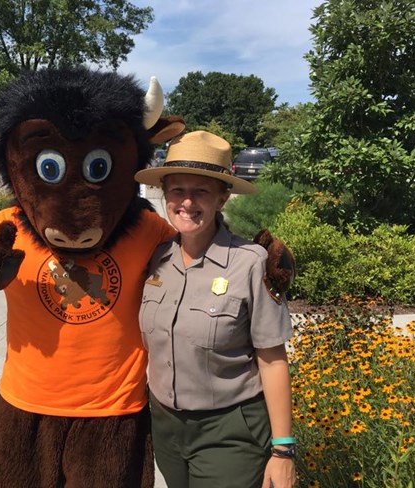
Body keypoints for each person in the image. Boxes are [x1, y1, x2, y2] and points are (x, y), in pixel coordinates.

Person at [134, 131, 297, 488]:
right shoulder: (156, 257)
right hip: (166, 427)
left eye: (201, 191)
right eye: (177, 190)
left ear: (222, 198)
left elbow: (272, 359)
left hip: (230, 430)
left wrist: (283, 451)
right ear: (164, 194)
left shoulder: (250, 264)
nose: (187, 202)